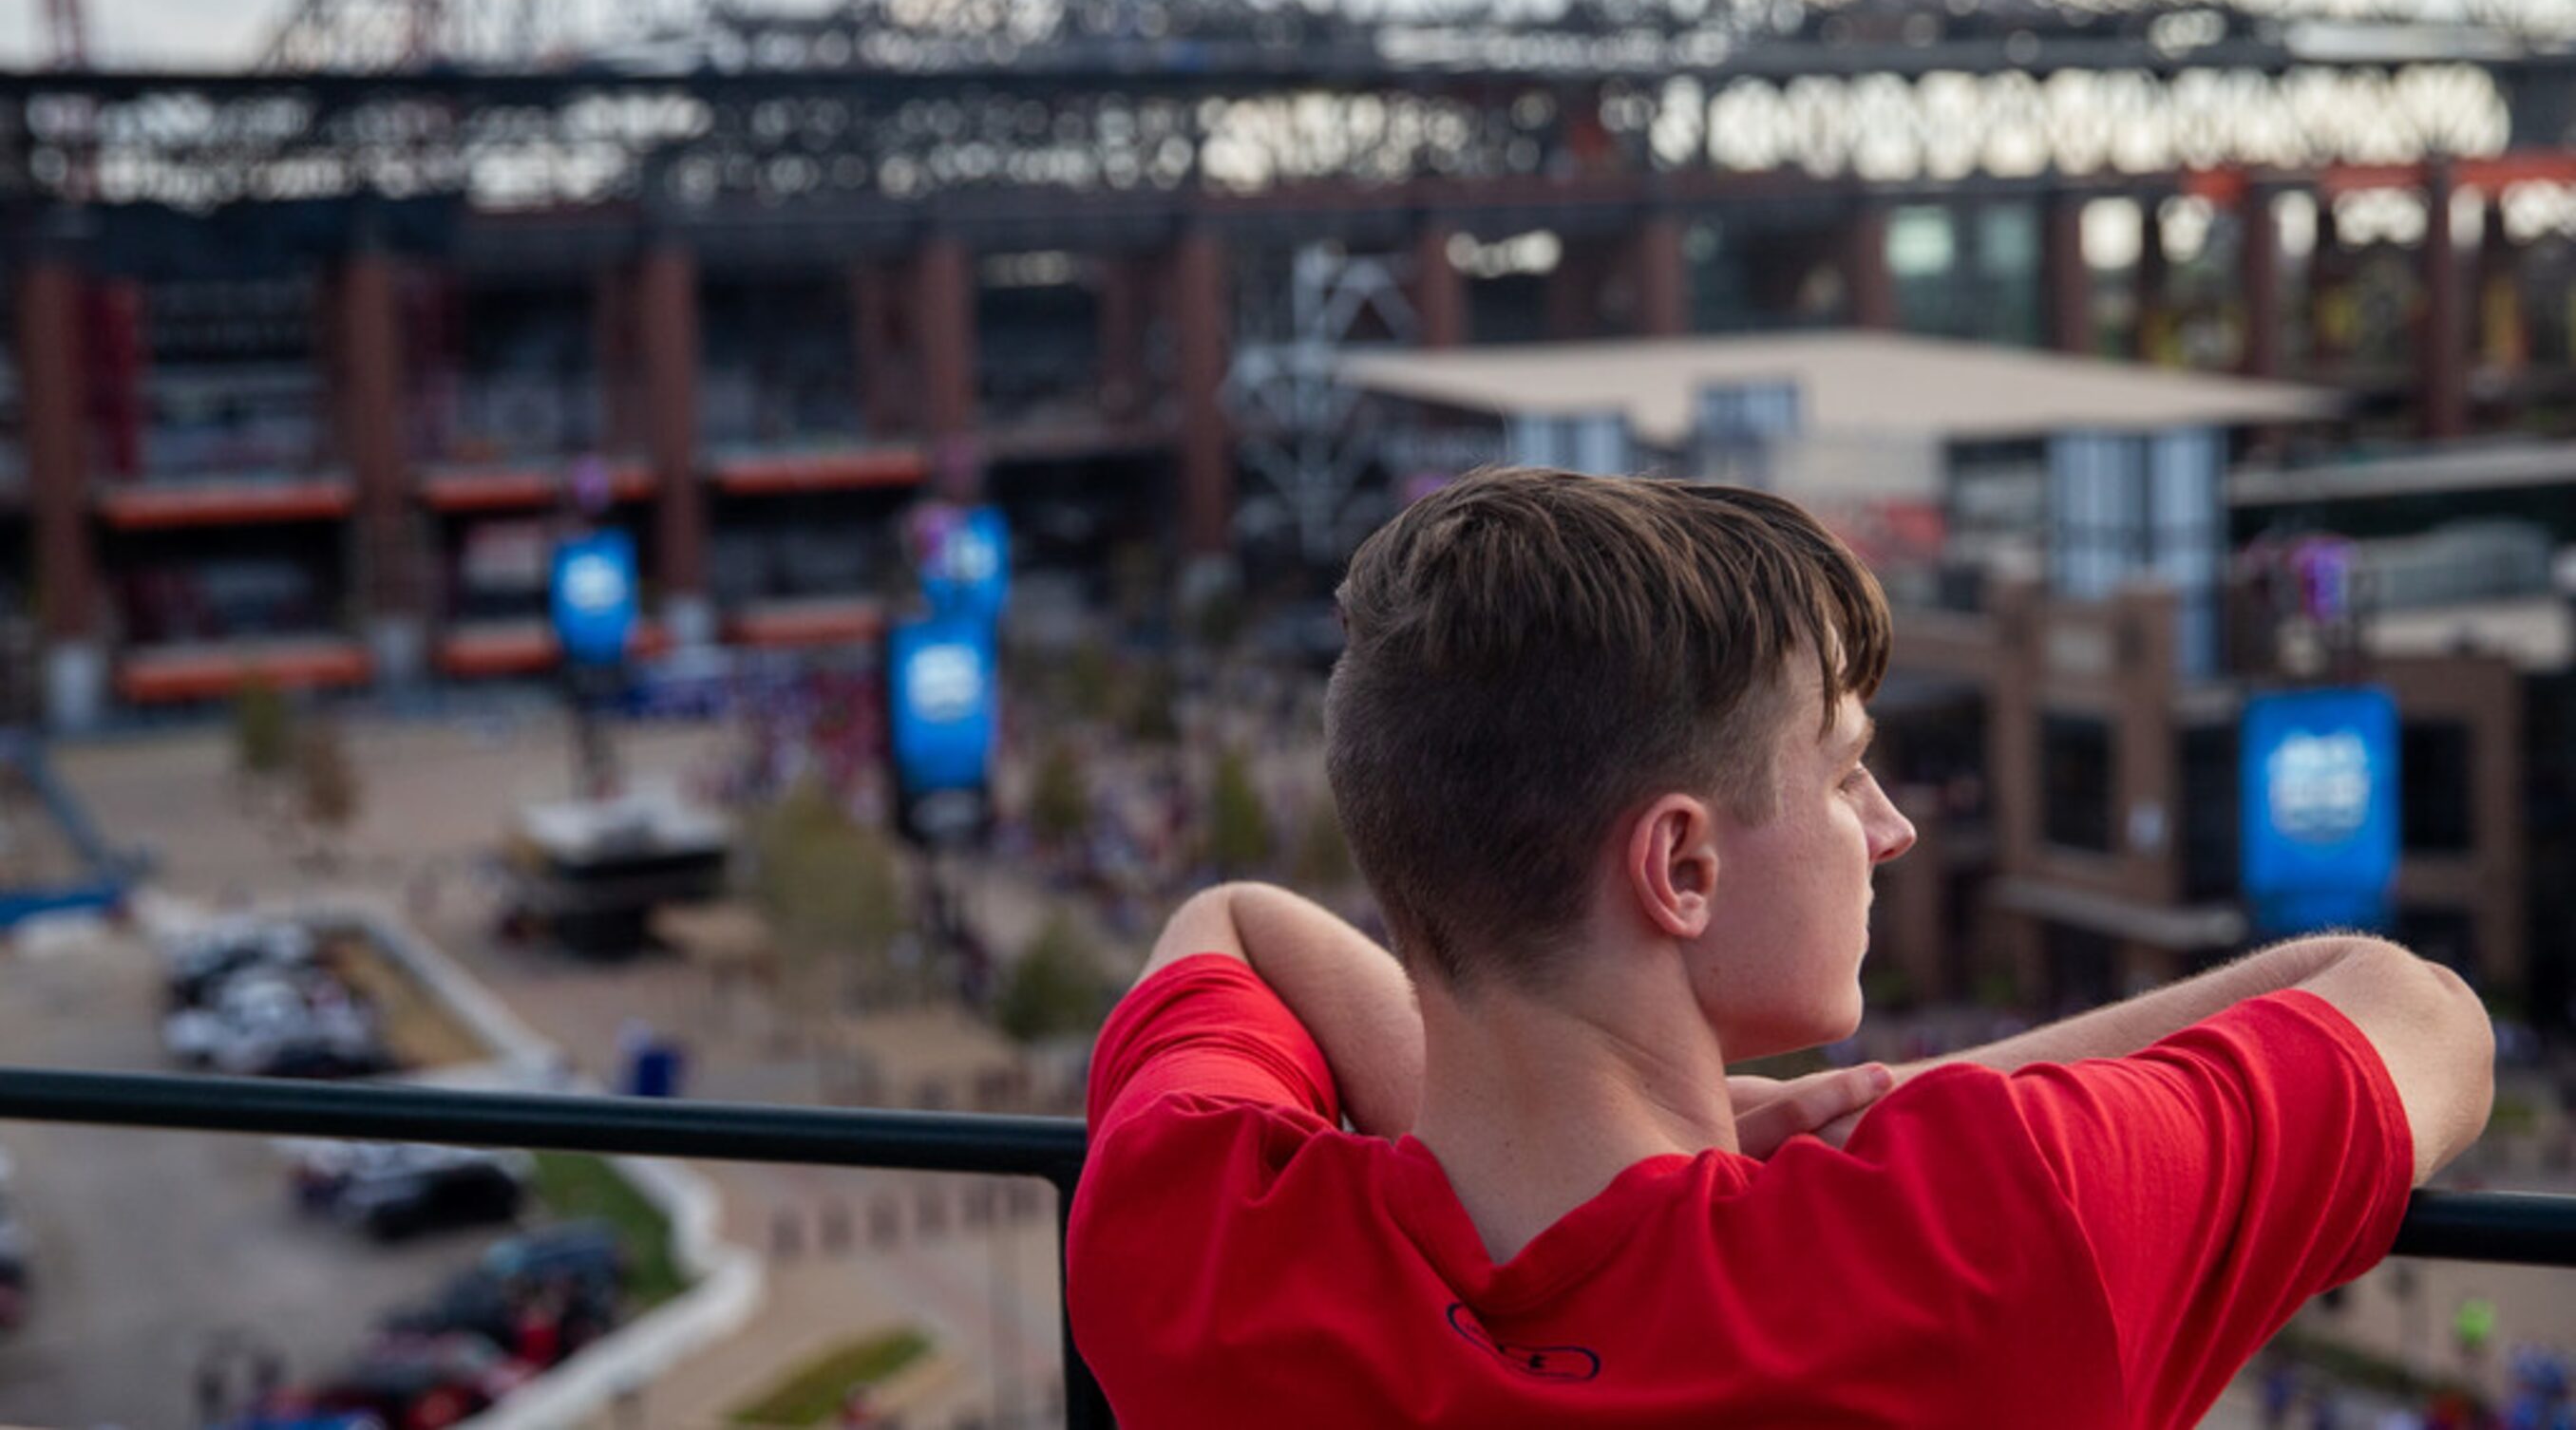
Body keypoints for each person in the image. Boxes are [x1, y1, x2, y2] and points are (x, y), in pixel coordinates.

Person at [1067, 468, 2496, 1428]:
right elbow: (2414, 1009)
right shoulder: (1983, 1233)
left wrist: (1685, 1128)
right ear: (1680, 865)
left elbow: (1234, 923)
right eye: (1843, 772)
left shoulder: (1190, 1239)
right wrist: (1900, 1112)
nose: (1889, 828)